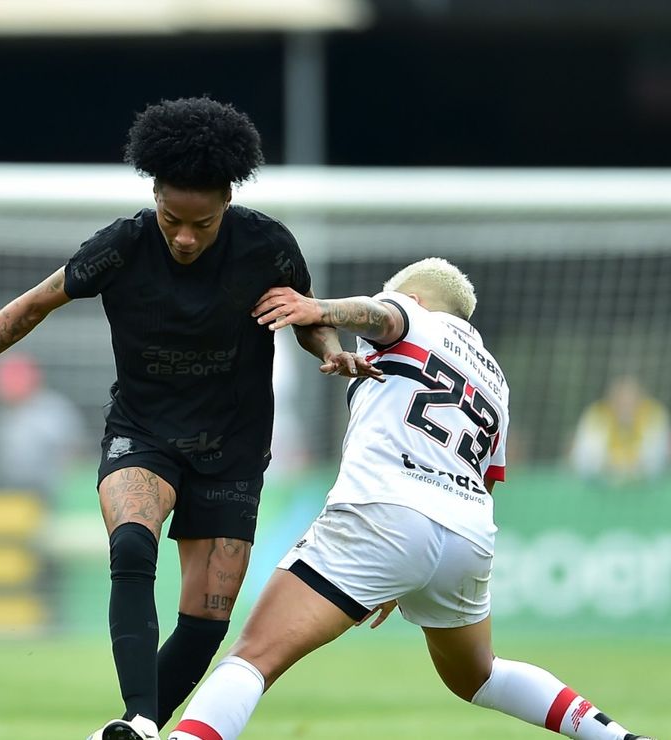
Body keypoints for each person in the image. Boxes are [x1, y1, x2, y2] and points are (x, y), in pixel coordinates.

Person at [0, 96, 380, 740]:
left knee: (205, 623)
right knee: (132, 542)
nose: (185, 237)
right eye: (172, 219)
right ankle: (139, 717)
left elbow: (302, 316)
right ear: (155, 197)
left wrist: (330, 349)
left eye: (202, 223)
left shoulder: (269, 246)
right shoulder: (123, 245)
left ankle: (135, 733)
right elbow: (30, 308)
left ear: (228, 199)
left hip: (234, 446)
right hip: (143, 433)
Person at [168, 258, 655, 740]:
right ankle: (619, 738)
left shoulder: (413, 316)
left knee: (253, 655)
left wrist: (318, 308)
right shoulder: (495, 380)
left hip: (385, 510)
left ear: (415, 298)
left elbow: (378, 316)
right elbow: (488, 478)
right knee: (479, 675)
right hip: (467, 530)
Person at [0, 351, 88, 497]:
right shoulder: (7, 416)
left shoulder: (51, 410)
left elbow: (74, 451)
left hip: (55, 490)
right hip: (19, 493)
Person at [569, 374, 669, 485]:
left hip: (646, 487)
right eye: (620, 399)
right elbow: (586, 458)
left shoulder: (653, 414)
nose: (625, 405)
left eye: (631, 399)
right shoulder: (597, 414)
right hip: (602, 487)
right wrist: (614, 467)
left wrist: (630, 468)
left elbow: (655, 458)